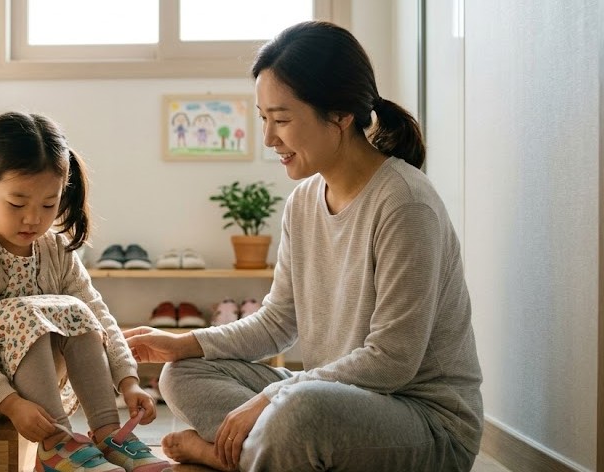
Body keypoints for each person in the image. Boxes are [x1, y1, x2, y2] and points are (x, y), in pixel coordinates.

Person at [124, 21, 482, 472]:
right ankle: (256, 453)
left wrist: (276, 396)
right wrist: (185, 342)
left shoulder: (405, 204)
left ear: (340, 114)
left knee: (300, 412)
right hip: (332, 397)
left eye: (282, 120)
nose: (269, 138)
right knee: (184, 372)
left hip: (425, 424)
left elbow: (392, 362)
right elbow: (278, 322)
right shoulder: (303, 202)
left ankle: (226, 454)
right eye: (263, 118)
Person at [0, 111, 172, 472]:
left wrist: (128, 381)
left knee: (77, 308)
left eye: (48, 204)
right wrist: (11, 403)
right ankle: (57, 444)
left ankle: (109, 433)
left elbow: (97, 314)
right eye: (17, 204)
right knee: (25, 312)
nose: (33, 218)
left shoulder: (56, 248)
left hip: (31, 386)